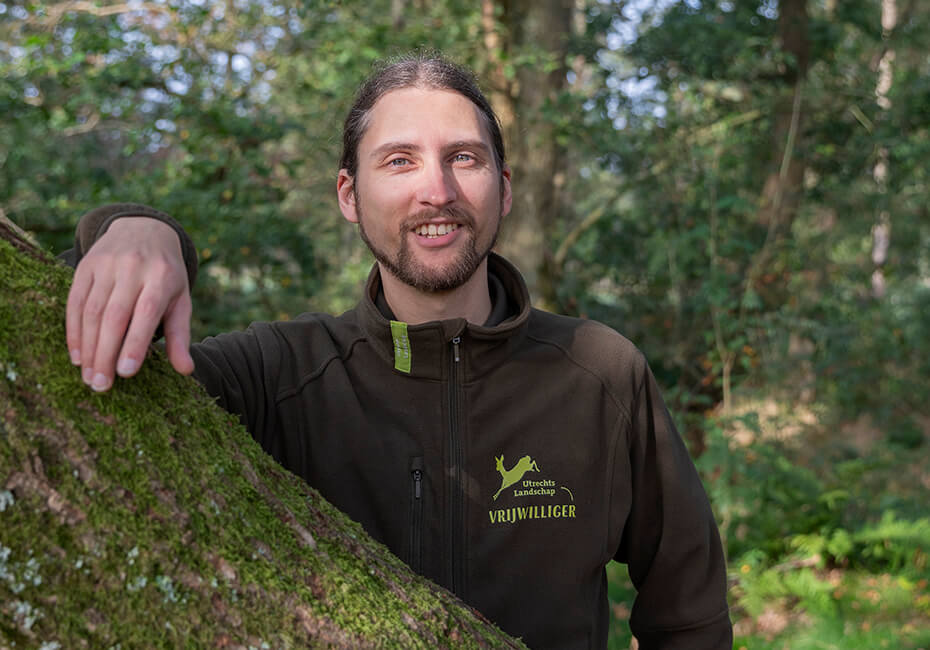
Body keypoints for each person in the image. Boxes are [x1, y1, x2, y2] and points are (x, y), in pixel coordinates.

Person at [62, 54, 732, 649]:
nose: (435, 190)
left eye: (462, 158)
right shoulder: (275, 374)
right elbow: (108, 371)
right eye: (400, 160)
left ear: (504, 185)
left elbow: (688, 614)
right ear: (350, 195)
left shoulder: (601, 374)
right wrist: (138, 230)